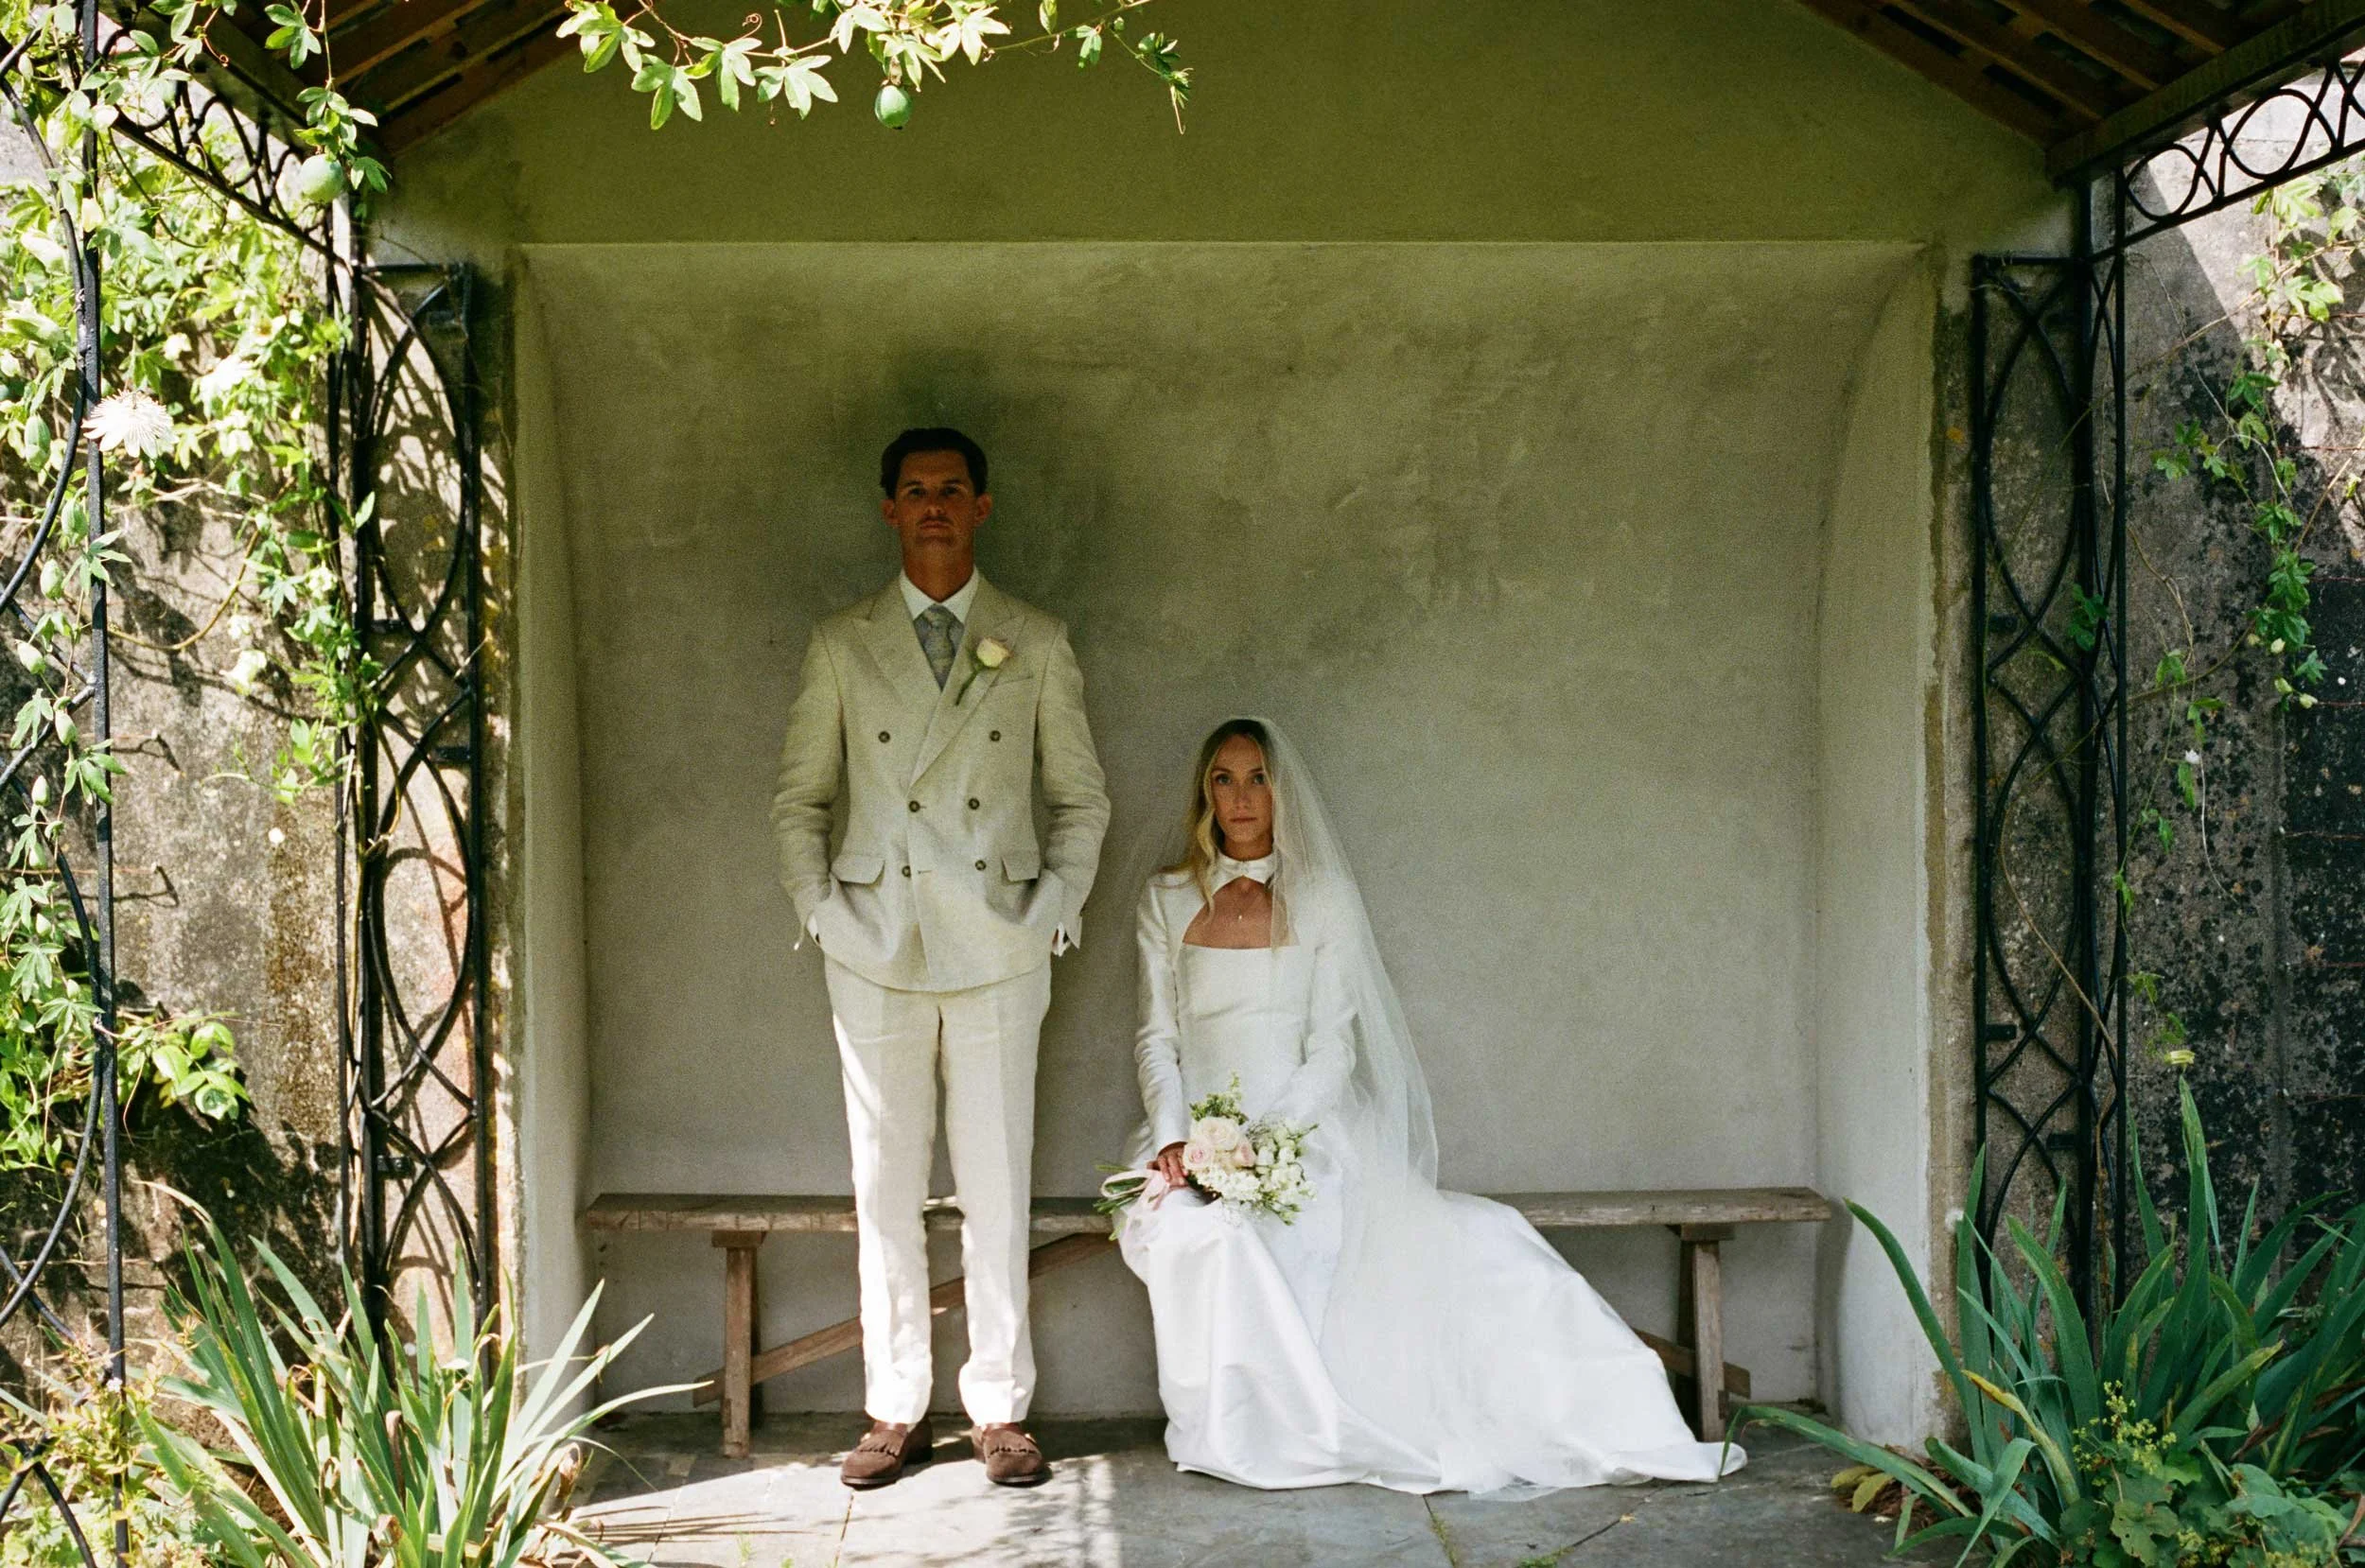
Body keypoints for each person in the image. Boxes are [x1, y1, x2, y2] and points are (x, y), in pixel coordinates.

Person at [1116, 718, 1743, 1493]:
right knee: (1202, 1236)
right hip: (1187, 1139)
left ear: (1282, 794)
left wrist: (1263, 1144)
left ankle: (1347, 1422)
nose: (1241, 797)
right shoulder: (1166, 898)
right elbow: (1157, 1038)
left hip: (1301, 1134)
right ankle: (1237, 1428)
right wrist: (1178, 1143)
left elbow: (1332, 1049)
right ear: (1204, 793)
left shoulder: (1323, 898)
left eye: (1258, 779)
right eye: (1224, 778)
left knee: (1374, 1236)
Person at [772, 427, 1111, 1490]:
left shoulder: (1035, 639)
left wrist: (1052, 911)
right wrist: (823, 912)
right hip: (876, 943)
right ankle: (894, 1405)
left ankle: (1000, 1407)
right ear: (889, 508)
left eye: (951, 490)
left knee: (997, 1180)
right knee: (884, 1183)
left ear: (981, 507)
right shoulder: (842, 642)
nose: (933, 505)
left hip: (998, 943)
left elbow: (1080, 798)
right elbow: (800, 799)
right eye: (914, 490)